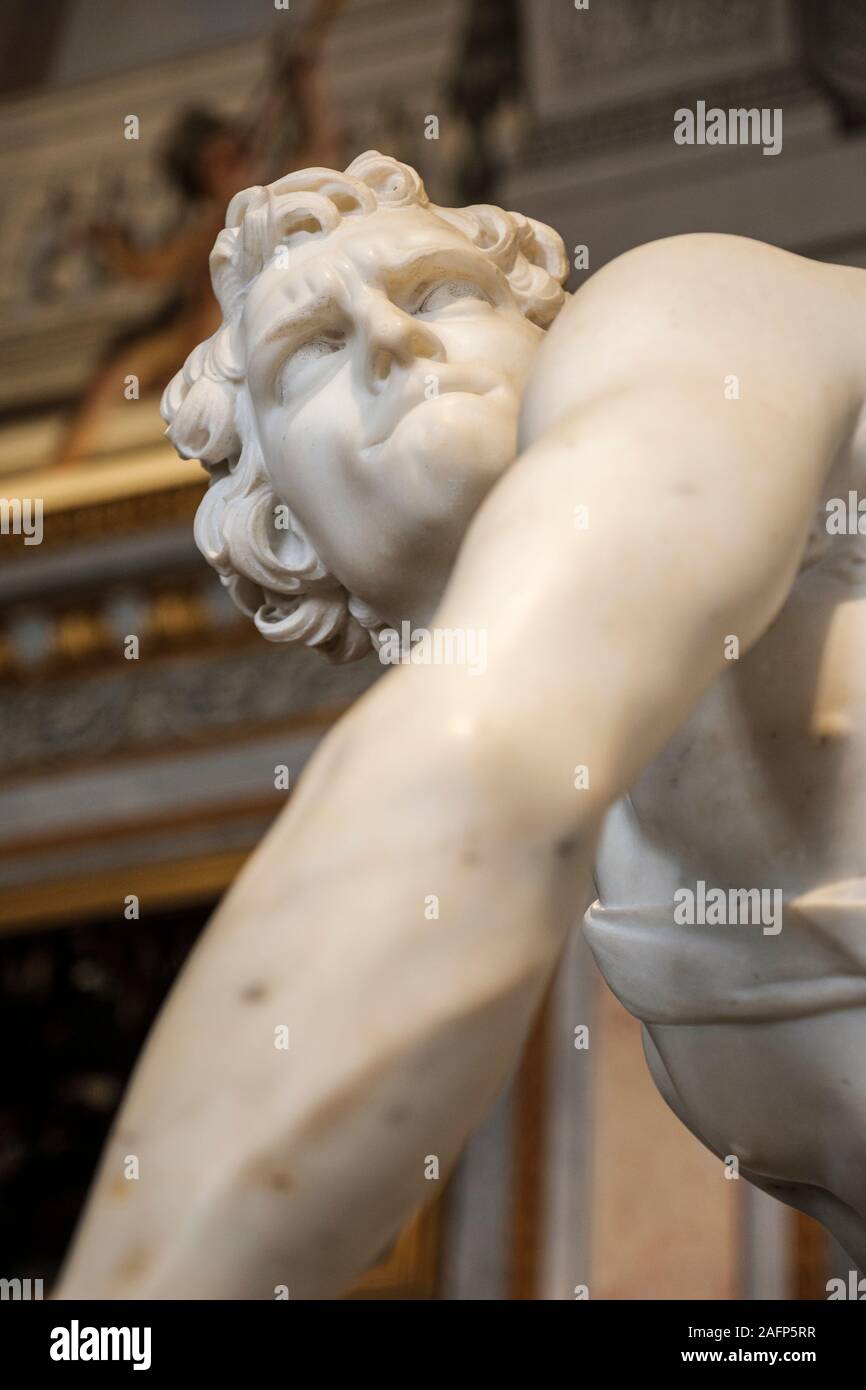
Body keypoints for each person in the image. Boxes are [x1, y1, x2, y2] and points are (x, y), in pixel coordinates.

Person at [56, 151, 866, 1298]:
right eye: (314, 353)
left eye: (438, 293)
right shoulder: (651, 944)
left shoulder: (677, 314)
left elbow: (464, 770)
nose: (392, 339)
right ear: (284, 535)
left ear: (546, 325)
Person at [53, 19, 341, 468]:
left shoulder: (272, 195)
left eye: (230, 156)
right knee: (117, 375)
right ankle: (63, 474)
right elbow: (149, 268)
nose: (228, 169)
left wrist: (307, 85)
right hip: (196, 342)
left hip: (256, 327)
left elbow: (321, 151)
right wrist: (110, 244)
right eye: (216, 165)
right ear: (203, 178)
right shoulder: (208, 226)